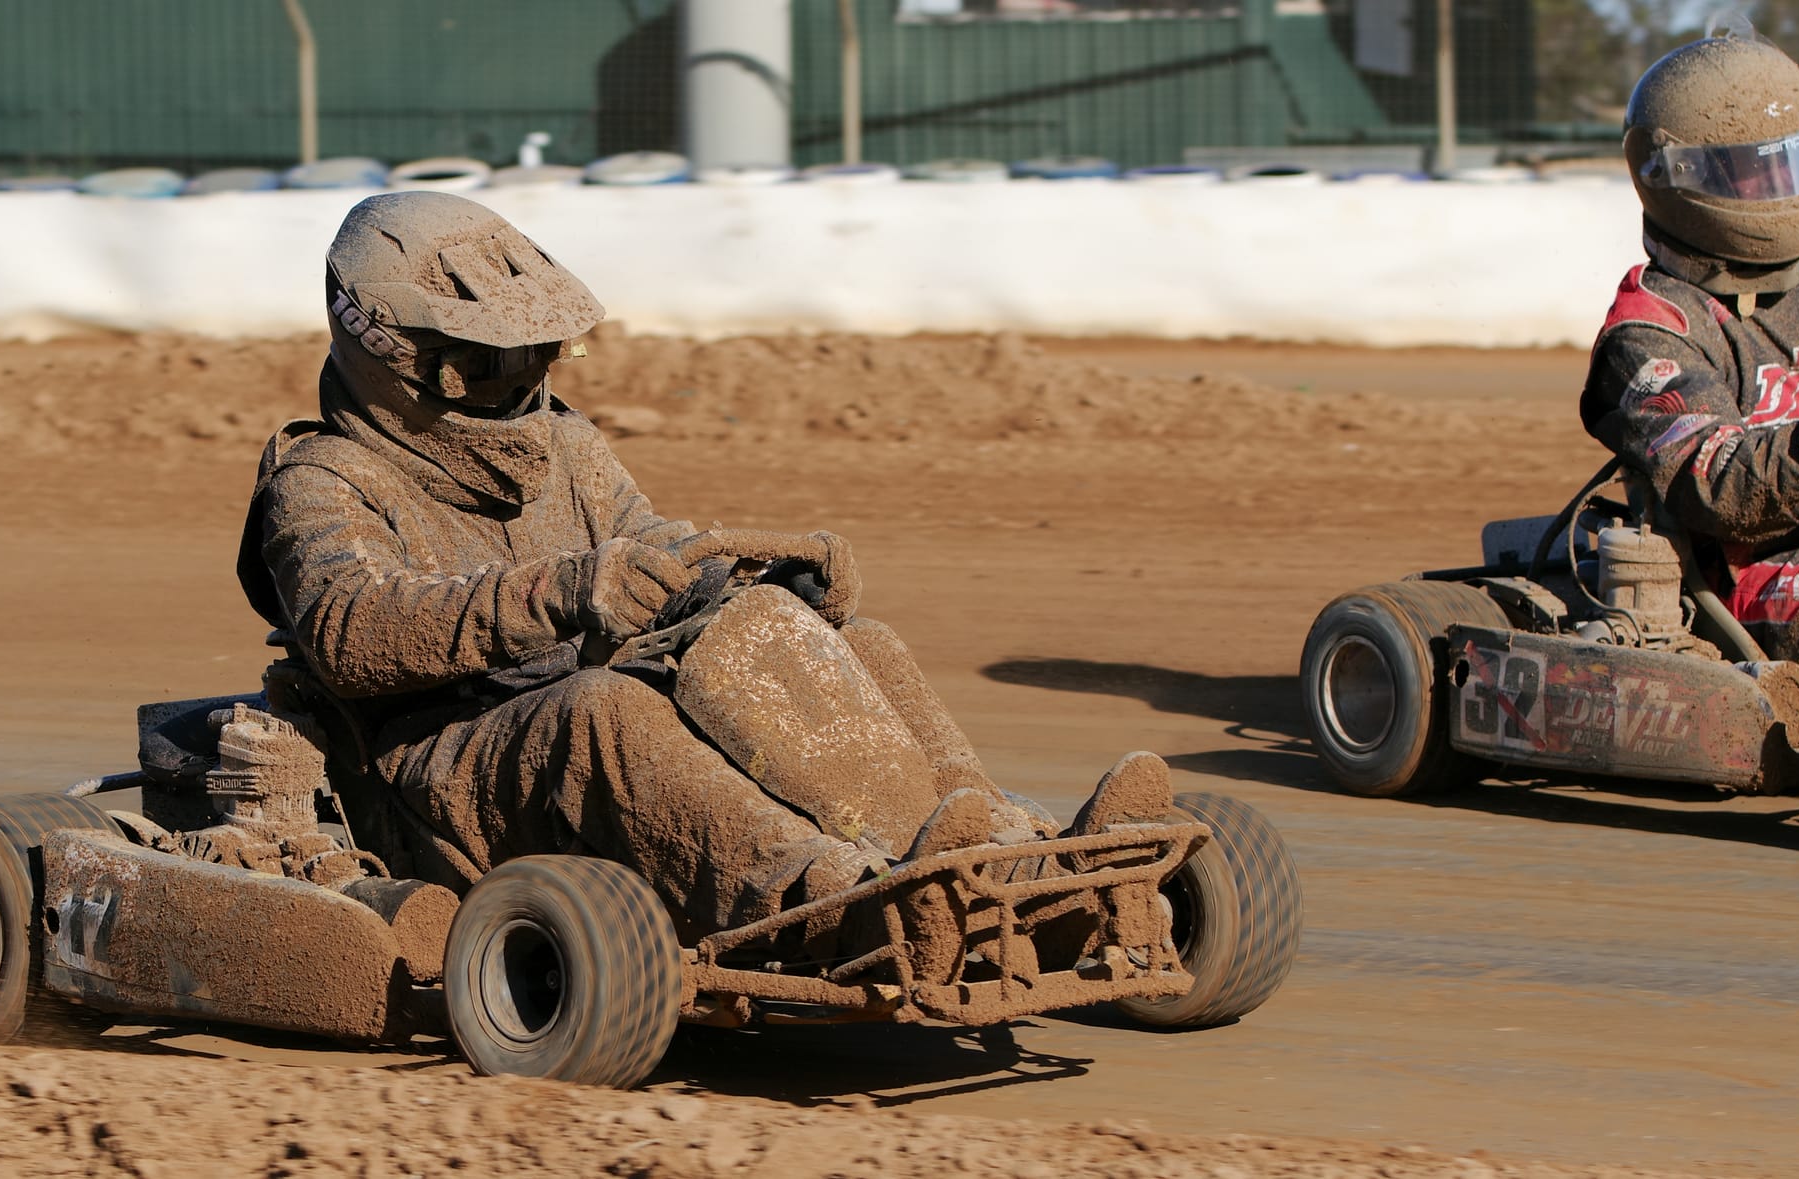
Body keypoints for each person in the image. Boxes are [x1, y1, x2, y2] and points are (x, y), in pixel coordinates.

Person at [236, 191, 1170, 941]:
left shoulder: (565, 446)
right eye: (489, 359)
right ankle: (841, 900)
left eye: (536, 351)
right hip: (439, 772)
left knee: (851, 639)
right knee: (606, 712)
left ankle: (1006, 853)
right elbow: (351, 630)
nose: (520, 378)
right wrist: (563, 592)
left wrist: (764, 584)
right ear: (395, 356)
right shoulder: (322, 480)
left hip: (573, 705)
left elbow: (651, 551)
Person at [1581, 29, 1799, 688]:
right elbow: (1720, 487)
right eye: (1753, 169)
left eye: (1791, 162)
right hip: (1751, 579)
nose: (1779, 187)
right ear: (1678, 178)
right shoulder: (1651, 333)